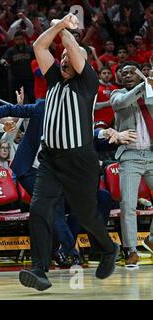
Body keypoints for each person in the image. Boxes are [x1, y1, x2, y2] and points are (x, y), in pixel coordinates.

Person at [19, 13, 119, 291]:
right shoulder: (53, 80)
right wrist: (60, 25)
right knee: (39, 210)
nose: (62, 60)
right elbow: (39, 47)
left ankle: (109, 249)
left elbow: (73, 49)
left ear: (82, 64)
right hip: (50, 160)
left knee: (86, 215)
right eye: (60, 58)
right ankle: (40, 270)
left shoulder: (87, 82)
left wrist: (62, 29)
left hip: (80, 161)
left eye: (67, 58)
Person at [110, 63, 153, 268]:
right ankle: (131, 250)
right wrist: (143, 85)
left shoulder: (150, 93)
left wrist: (149, 85)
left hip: (152, 155)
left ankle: (151, 239)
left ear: (139, 73)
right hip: (130, 156)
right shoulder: (117, 93)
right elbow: (122, 102)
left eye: (130, 72)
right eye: (123, 74)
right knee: (128, 205)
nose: (126, 76)